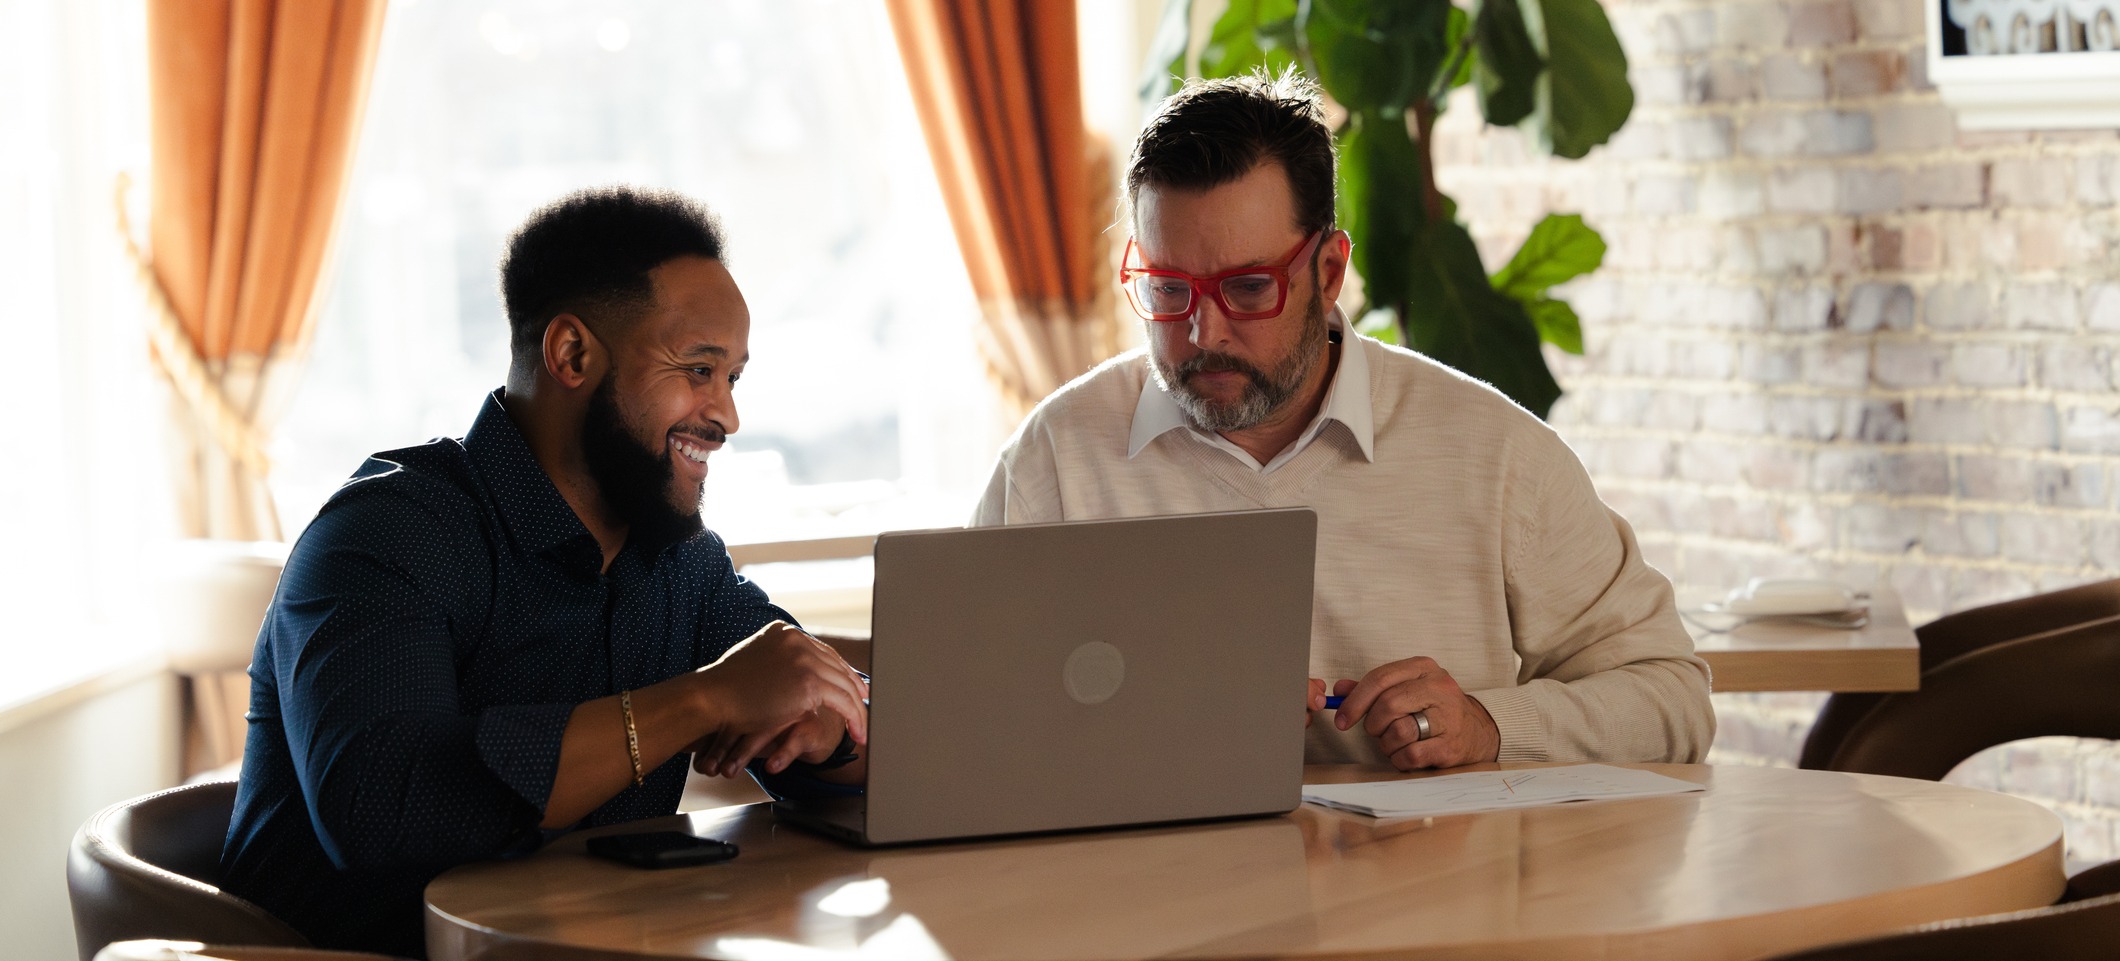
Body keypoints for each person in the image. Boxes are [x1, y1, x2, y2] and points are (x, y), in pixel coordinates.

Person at [970, 73, 1714, 769]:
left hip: (1435, 901)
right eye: (1167, 290)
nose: (1203, 333)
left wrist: (1489, 727)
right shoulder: (1056, 460)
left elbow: (1672, 697)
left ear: (1328, 274)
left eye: (1249, 287)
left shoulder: (1494, 456)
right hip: (1137, 901)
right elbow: (959, 720)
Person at [220, 187, 868, 957]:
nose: (726, 414)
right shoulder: (385, 534)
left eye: (733, 377)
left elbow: (824, 731)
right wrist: (702, 698)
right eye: (699, 368)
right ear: (572, 355)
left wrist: (832, 733)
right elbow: (383, 811)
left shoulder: (679, 559)